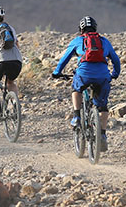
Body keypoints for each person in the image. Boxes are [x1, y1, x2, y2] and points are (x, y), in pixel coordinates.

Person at [51, 16, 121, 152]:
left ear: (81, 29)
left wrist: (57, 72)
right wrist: (115, 74)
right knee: (103, 107)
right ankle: (102, 135)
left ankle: (77, 116)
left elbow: (65, 58)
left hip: (84, 75)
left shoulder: (78, 41)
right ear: (95, 28)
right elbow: (116, 60)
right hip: (102, 76)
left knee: (76, 89)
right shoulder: (104, 41)